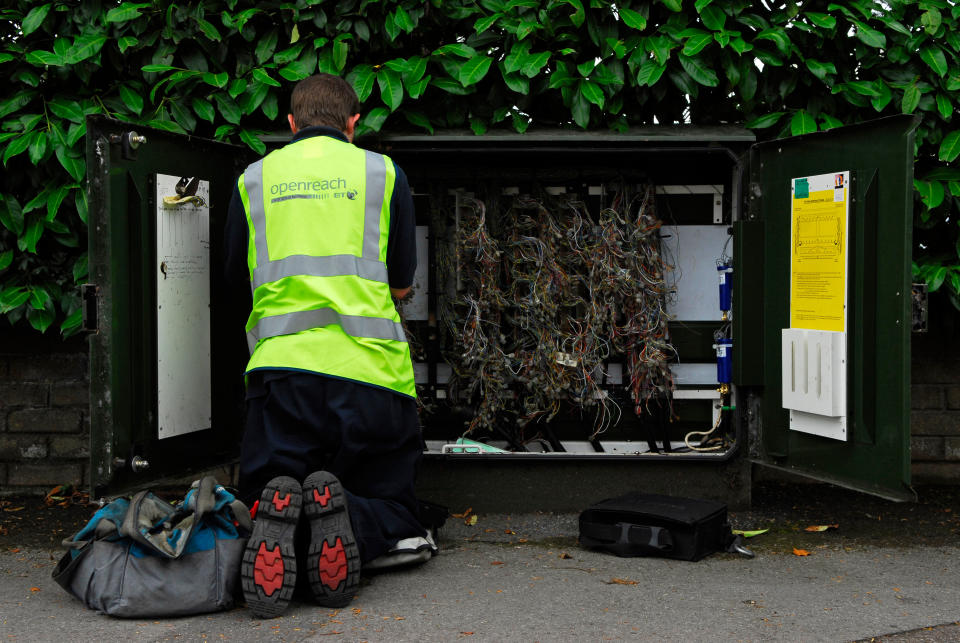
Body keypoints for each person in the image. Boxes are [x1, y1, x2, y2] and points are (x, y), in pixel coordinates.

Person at [223, 73, 432, 618]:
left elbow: (233, 285)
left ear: (290, 124)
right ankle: (351, 526)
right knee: (396, 506)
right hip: (372, 379)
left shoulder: (253, 180)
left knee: (265, 497)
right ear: (354, 124)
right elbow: (402, 283)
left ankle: (285, 528)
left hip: (279, 379)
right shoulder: (383, 174)